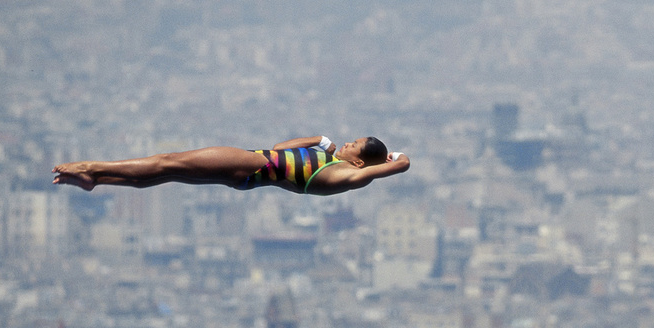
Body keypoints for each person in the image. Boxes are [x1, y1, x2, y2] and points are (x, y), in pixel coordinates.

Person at [53, 135, 409, 196]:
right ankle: (97, 178)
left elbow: (402, 165)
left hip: (252, 164)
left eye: (353, 145)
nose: (346, 143)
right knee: (168, 174)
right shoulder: (330, 161)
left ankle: (91, 166)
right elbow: (280, 147)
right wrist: (318, 139)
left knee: (169, 161)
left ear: (359, 160)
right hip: (256, 167)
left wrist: (394, 156)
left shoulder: (351, 176)